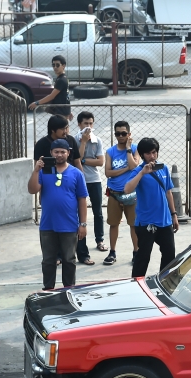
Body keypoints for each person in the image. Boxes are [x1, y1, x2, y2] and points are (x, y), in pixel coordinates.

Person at [27, 139, 88, 290]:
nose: (59, 155)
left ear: (68, 153)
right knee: (48, 261)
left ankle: (69, 289)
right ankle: (48, 290)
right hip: (48, 225)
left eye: (63, 152)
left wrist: (83, 224)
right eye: (56, 152)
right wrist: (35, 171)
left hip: (69, 225)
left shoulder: (76, 173)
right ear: (50, 153)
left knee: (69, 259)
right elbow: (32, 190)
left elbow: (82, 200)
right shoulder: (43, 171)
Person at [124, 138, 179, 278]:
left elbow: (168, 192)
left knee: (169, 255)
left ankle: (164, 280)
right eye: (148, 153)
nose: (152, 156)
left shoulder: (164, 168)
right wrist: (142, 173)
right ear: (142, 155)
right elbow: (127, 189)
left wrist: (174, 215)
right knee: (143, 256)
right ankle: (137, 283)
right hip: (146, 222)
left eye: (154, 152)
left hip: (164, 220)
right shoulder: (138, 171)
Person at [103, 121, 140, 266]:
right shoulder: (110, 151)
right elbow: (107, 172)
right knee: (113, 224)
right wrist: (125, 170)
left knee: (133, 224)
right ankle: (112, 252)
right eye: (118, 133)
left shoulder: (136, 149)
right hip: (114, 193)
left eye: (124, 133)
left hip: (132, 194)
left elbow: (134, 165)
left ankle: (136, 252)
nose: (121, 136)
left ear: (129, 134)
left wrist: (129, 148)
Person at [74, 111, 107, 265]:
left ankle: (99, 240)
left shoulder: (97, 140)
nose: (88, 127)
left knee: (98, 211)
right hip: (79, 180)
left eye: (91, 123)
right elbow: (76, 159)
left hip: (94, 179)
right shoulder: (74, 140)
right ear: (79, 124)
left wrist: (85, 160)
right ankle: (81, 246)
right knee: (80, 214)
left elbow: (100, 162)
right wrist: (84, 143)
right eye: (85, 123)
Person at [28, 55, 72, 120]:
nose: (55, 67)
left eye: (57, 65)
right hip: (62, 111)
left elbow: (51, 96)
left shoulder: (61, 80)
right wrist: (68, 111)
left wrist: (37, 103)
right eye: (53, 65)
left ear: (63, 66)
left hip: (61, 112)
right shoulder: (63, 78)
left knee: (61, 129)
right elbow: (65, 95)